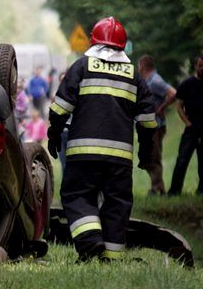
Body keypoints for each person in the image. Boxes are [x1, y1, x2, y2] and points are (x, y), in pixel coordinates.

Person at [48, 17, 156, 262]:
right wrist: (146, 153)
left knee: (76, 196)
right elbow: (148, 121)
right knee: (117, 204)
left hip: (83, 154)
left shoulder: (82, 66)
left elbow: (61, 107)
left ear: (94, 40)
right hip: (120, 159)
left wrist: (54, 134)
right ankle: (111, 258)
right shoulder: (135, 76)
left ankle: (89, 243)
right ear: (122, 45)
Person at [167, 56, 203, 195]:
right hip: (191, 127)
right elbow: (179, 106)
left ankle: (202, 190)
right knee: (182, 159)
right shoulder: (187, 84)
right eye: (200, 66)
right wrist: (187, 122)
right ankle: (174, 191)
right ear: (196, 66)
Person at [137, 54, 177, 195]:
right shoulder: (148, 80)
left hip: (156, 126)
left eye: (138, 67)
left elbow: (173, 93)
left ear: (142, 66)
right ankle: (157, 187)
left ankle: (157, 189)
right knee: (147, 158)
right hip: (148, 126)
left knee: (154, 157)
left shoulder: (155, 80)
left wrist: (162, 108)